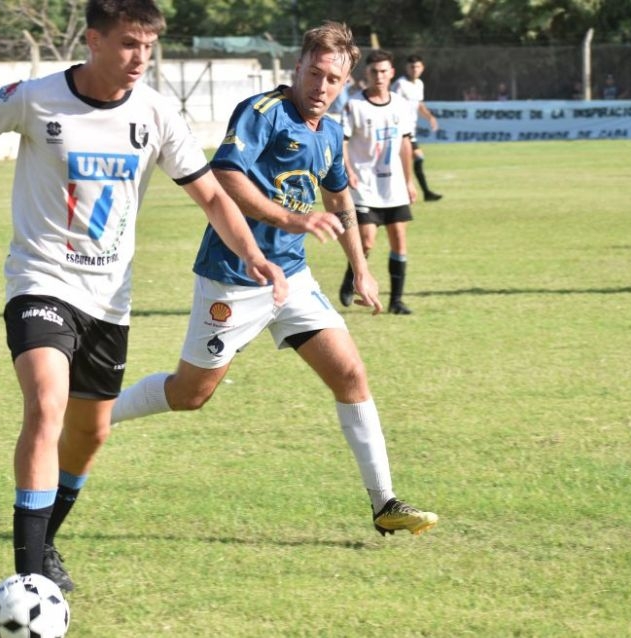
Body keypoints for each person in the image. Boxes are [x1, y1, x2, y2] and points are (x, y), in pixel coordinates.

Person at [0, 0, 286, 626]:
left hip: (110, 300)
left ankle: (43, 545)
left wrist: (254, 255)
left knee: (89, 433)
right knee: (46, 404)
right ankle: (29, 578)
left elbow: (209, 194)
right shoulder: (34, 98)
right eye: (128, 44)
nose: (140, 58)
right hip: (40, 280)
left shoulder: (157, 114)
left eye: (148, 47)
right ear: (93, 40)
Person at [110, 22, 438, 544]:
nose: (322, 87)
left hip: (293, 278)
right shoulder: (263, 112)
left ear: (346, 82)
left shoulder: (329, 131)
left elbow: (339, 198)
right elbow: (226, 176)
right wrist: (291, 219)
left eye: (333, 79)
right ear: (298, 67)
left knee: (351, 375)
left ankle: (385, 504)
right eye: (315, 73)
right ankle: (97, 415)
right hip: (234, 277)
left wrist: (360, 267)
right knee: (191, 393)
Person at [339, 49, 418, 316]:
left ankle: (396, 301)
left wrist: (409, 182)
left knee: (399, 241)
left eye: (384, 71)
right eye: (374, 71)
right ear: (367, 73)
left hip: (393, 186)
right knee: (367, 241)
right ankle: (351, 277)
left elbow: (405, 144)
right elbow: (343, 142)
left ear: (392, 73)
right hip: (364, 185)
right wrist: (348, 170)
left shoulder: (400, 105)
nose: (379, 76)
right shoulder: (354, 105)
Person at [390, 54, 442, 202]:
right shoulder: (400, 84)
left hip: (409, 129)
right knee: (416, 157)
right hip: (400, 129)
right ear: (406, 68)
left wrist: (430, 117)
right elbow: (391, 104)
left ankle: (420, 192)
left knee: (406, 160)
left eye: (417, 66)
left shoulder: (419, 84)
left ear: (422, 68)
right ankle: (422, 192)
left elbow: (419, 104)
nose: (414, 69)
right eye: (412, 67)